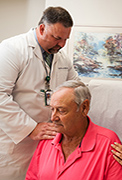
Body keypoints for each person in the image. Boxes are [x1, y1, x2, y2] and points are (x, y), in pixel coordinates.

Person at [0, 6, 80, 180]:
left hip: (48, 141)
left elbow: (77, 89)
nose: (61, 45)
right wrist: (30, 128)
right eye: (57, 38)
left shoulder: (62, 57)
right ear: (42, 28)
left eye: (65, 39)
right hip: (15, 143)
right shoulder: (11, 49)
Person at [25, 80, 122, 180]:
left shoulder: (108, 143)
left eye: (61, 111)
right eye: (52, 109)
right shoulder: (48, 138)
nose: (53, 118)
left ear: (84, 108)